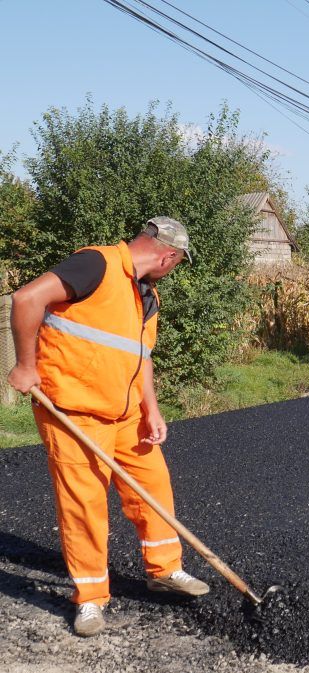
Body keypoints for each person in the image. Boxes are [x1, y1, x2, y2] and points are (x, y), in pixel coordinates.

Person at [6, 217, 210, 638]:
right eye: (177, 263)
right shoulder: (95, 266)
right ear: (167, 255)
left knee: (153, 488)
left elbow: (141, 355)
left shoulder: (147, 296)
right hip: (73, 411)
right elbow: (27, 299)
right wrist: (27, 366)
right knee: (84, 505)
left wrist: (151, 408)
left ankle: (164, 569)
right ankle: (91, 597)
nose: (173, 269)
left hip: (128, 414)